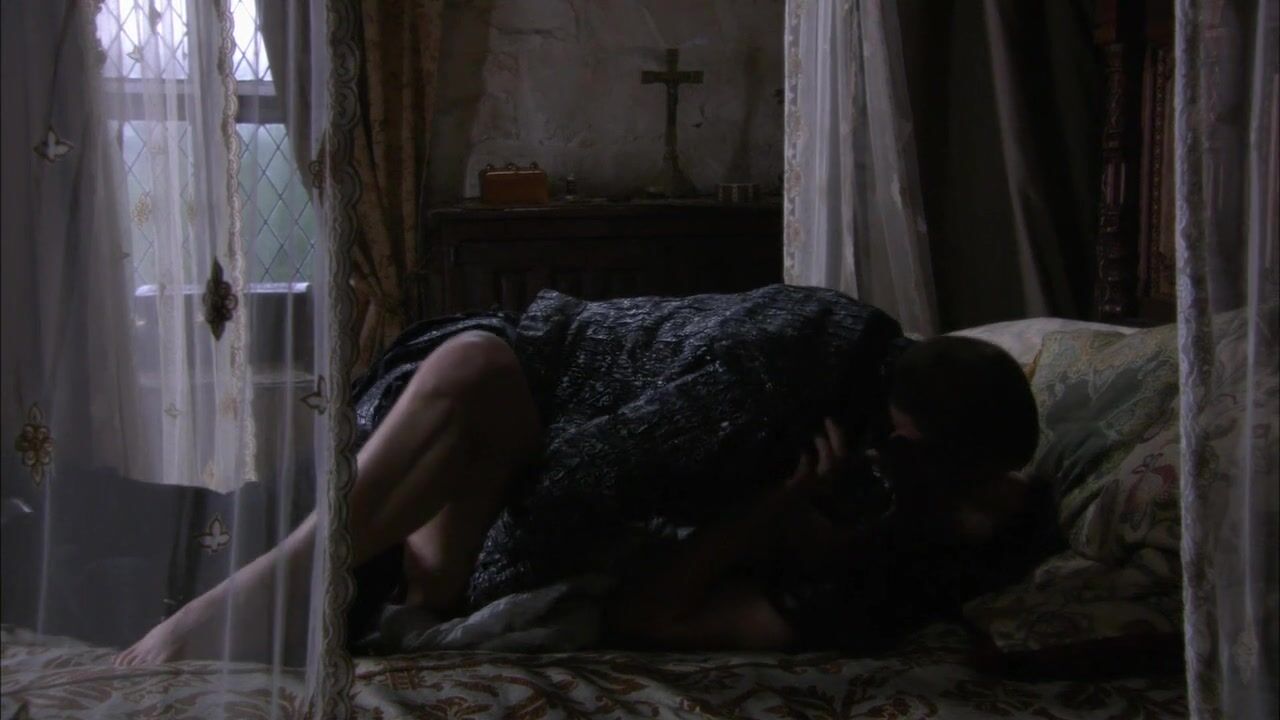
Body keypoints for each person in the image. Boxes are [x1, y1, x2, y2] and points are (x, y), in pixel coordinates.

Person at [116, 284, 1061, 664]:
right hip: (479, 426)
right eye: (972, 481)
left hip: (477, 484)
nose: (984, 500)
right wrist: (458, 585)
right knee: (475, 369)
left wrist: (780, 515)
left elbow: (655, 601)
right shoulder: (784, 385)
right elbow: (570, 485)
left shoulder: (888, 526)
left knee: (160, 534)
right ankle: (245, 601)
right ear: (906, 433)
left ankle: (275, 592)